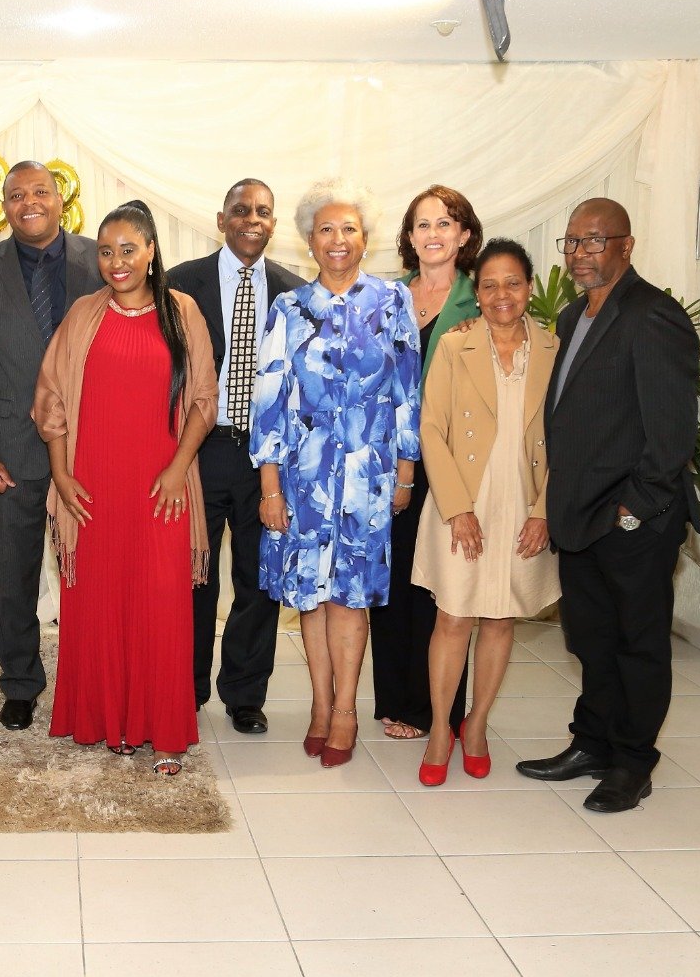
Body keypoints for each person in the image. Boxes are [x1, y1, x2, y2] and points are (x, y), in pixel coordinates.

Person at [516, 198, 700, 813]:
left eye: (594, 241)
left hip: (632, 519)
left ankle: (632, 763)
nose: (579, 254)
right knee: (591, 640)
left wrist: (634, 509)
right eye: (572, 242)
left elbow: (671, 431)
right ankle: (592, 744)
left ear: (626, 245)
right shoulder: (573, 315)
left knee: (637, 644)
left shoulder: (654, 315)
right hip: (580, 514)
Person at [34, 201, 218, 775]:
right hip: (92, 486)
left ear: (151, 251)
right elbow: (51, 400)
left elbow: (203, 400)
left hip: (163, 484)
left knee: (161, 606)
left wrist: (178, 466)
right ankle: (104, 721)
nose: (117, 262)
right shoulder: (83, 313)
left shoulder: (182, 311)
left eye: (129, 249)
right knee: (97, 602)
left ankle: (163, 732)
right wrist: (61, 474)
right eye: (106, 252)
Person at [251, 179, 421, 768]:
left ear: (366, 238)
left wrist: (405, 473)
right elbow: (268, 400)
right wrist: (269, 486)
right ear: (309, 241)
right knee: (311, 598)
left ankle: (346, 710)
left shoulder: (393, 301)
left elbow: (408, 394)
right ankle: (320, 706)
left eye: (349, 228)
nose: (338, 239)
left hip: (369, 476)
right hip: (304, 477)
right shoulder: (289, 308)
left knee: (350, 596)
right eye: (326, 229)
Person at [0, 161, 102, 731]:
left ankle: (90, 676)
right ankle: (19, 681)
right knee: (9, 576)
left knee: (90, 575)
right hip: (8, 449)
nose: (29, 202)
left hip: (91, 449)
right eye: (17, 195)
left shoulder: (102, 257)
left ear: (60, 199)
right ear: (4, 207)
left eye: (40, 191)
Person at [411, 239, 561, 785]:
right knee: (453, 616)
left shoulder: (554, 347)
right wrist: (457, 509)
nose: (502, 295)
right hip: (463, 500)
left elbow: (569, 437)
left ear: (529, 288)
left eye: (513, 283)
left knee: (501, 617)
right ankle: (440, 729)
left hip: (524, 503)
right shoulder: (456, 344)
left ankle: (476, 725)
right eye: (490, 284)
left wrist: (544, 510)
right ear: (476, 292)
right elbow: (432, 428)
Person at [167, 179, 305, 734]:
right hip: (200, 449)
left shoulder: (294, 292)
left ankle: (246, 695)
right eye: (242, 210)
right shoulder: (180, 283)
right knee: (193, 575)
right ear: (221, 220)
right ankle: (186, 687)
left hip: (267, 458)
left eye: (263, 212)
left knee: (259, 579)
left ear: (274, 224)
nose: (252, 219)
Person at [369, 186, 485, 742]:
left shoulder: (481, 301)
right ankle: (394, 699)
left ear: (464, 235)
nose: (433, 234)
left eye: (444, 223)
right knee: (389, 583)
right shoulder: (386, 296)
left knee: (438, 587)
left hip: (448, 463)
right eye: (422, 225)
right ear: (409, 237)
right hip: (385, 459)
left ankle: (433, 709)